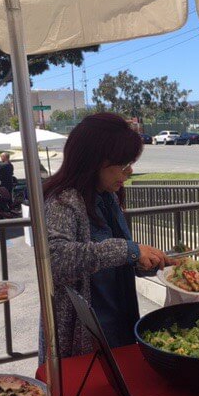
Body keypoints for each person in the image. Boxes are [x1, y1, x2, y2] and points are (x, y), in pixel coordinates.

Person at [40, 113, 174, 362]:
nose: (130, 171)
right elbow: (55, 260)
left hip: (119, 322)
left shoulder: (108, 197)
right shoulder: (63, 200)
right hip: (85, 335)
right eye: (123, 165)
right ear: (94, 162)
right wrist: (128, 250)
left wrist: (144, 260)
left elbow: (113, 259)